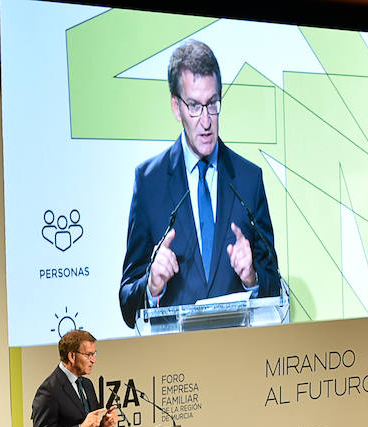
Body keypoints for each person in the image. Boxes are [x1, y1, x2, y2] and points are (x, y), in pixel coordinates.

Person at [119, 39, 281, 328]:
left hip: (239, 357)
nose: (206, 121)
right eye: (194, 106)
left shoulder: (248, 179)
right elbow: (127, 302)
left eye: (213, 104)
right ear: (176, 107)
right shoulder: (149, 182)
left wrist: (253, 278)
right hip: (175, 366)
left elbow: (275, 285)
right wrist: (152, 285)